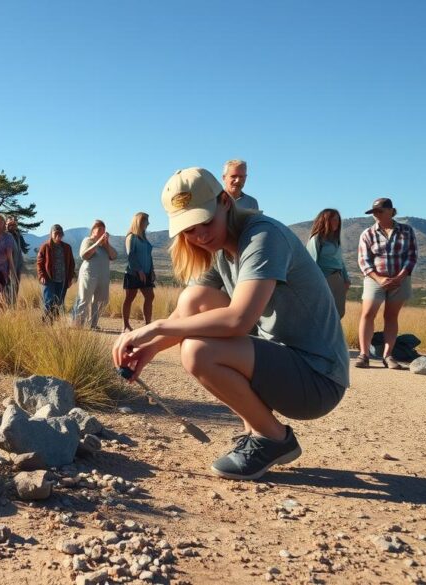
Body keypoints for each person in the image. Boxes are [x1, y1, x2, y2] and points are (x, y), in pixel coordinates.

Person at [113, 167, 347, 481]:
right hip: (284, 365)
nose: (200, 236)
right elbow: (187, 313)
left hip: (318, 378)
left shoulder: (263, 236)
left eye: (206, 222)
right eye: (189, 230)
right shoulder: (222, 248)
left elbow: (238, 319)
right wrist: (149, 349)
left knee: (198, 352)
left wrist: (154, 328)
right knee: (193, 298)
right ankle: (256, 430)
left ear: (225, 201)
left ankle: (273, 438)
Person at [355, 197, 417, 370]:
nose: (376, 215)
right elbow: (363, 260)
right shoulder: (367, 233)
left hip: (400, 279)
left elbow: (412, 256)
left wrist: (400, 277)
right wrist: (378, 278)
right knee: (368, 314)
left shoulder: (406, 231)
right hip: (374, 279)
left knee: (391, 316)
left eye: (379, 211)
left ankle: (388, 356)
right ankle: (364, 355)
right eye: (374, 212)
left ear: (391, 211)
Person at [306, 208, 351, 318]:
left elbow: (340, 261)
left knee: (338, 313)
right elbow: (312, 264)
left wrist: (346, 279)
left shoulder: (335, 240)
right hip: (324, 279)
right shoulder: (316, 240)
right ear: (325, 221)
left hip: (338, 279)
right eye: (334, 219)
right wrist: (317, 284)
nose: (337, 222)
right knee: (323, 313)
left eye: (338, 220)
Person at [73, 220, 117, 329]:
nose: (102, 232)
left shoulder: (104, 245)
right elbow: (84, 255)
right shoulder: (88, 240)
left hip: (103, 276)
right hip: (88, 274)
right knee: (84, 299)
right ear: (93, 231)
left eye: (104, 230)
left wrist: (106, 244)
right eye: (100, 229)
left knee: (101, 301)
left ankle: (93, 324)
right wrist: (97, 243)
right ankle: (78, 325)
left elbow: (114, 256)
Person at [122, 212, 156, 331]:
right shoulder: (131, 237)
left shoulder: (144, 238)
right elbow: (130, 255)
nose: (148, 223)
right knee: (130, 297)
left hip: (146, 273)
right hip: (133, 273)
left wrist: (152, 270)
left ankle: (147, 324)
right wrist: (139, 270)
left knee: (150, 296)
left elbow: (149, 256)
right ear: (139, 221)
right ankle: (126, 324)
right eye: (146, 221)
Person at [36, 224, 75, 323]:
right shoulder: (45, 246)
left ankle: (53, 323)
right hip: (48, 279)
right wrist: (41, 275)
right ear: (51, 234)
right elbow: (39, 262)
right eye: (56, 233)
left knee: (58, 302)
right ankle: (45, 323)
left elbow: (71, 264)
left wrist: (70, 279)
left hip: (62, 279)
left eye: (60, 233)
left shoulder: (67, 247)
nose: (58, 235)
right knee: (48, 301)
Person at [7, 217, 28, 304]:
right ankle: (6, 305)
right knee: (7, 287)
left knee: (16, 286)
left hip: (18, 264)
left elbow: (22, 249)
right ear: (6, 224)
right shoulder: (4, 235)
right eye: (10, 224)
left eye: (14, 224)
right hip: (7, 266)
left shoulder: (18, 235)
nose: (12, 226)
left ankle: (13, 305)